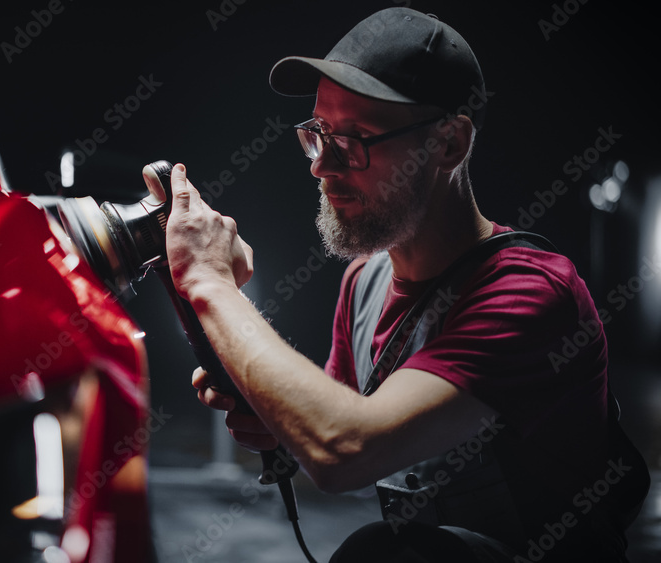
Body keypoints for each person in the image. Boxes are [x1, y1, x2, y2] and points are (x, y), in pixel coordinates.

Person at [164, 7, 647, 562]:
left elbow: (343, 449)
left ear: (449, 145)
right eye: (318, 134)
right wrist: (277, 424)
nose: (322, 166)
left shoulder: (529, 294)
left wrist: (209, 280)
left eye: (358, 137)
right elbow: (329, 420)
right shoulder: (364, 283)